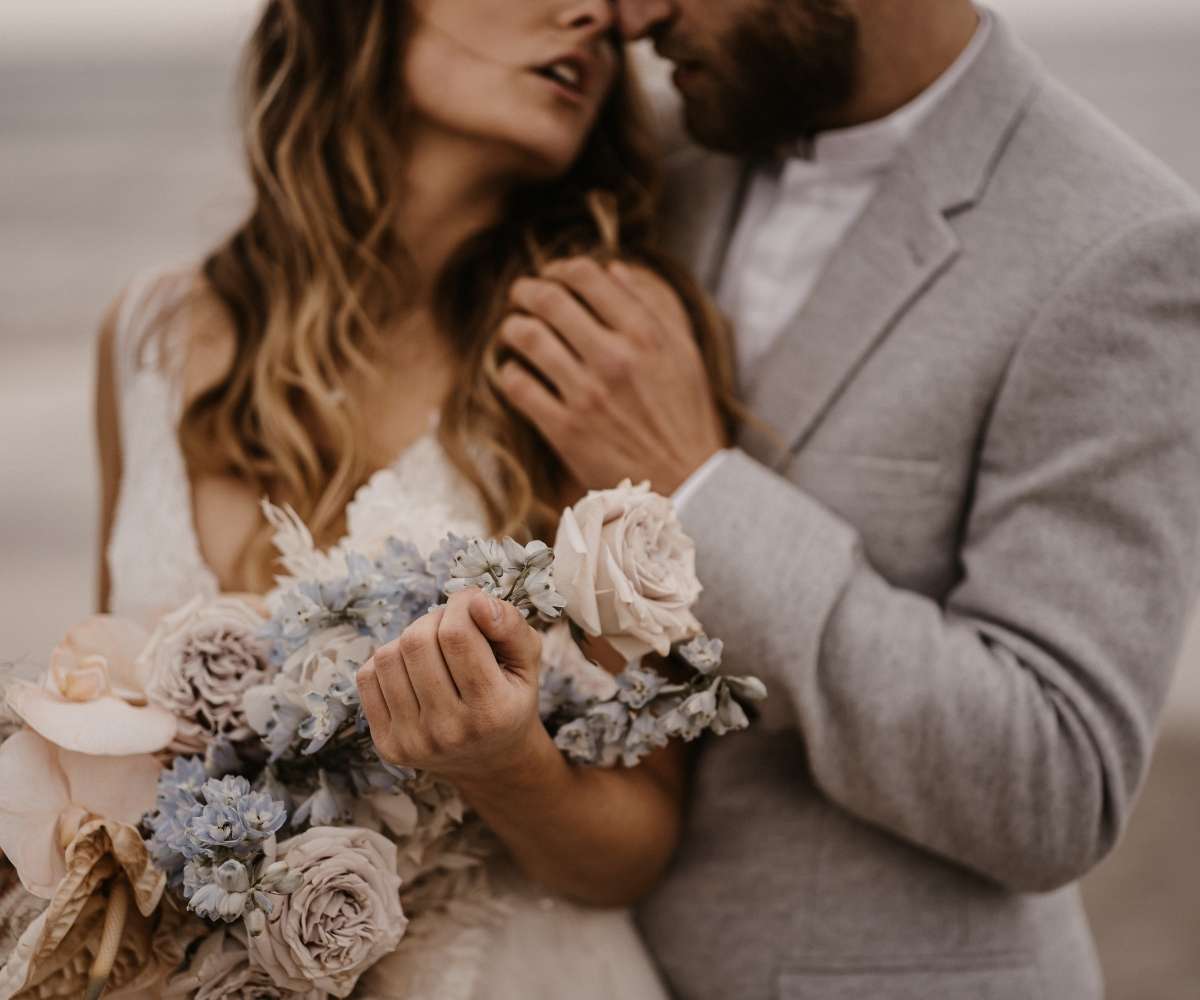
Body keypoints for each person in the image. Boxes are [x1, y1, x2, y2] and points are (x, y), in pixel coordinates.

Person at [500, 1, 1200, 997]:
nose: (634, 15)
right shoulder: (657, 162)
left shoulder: (1121, 246)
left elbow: (1057, 781)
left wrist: (699, 490)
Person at [92, 2, 739, 997]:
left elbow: (635, 845)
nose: (593, 19)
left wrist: (505, 760)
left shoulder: (595, 345)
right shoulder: (152, 336)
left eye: (610, 22)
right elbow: (103, 718)